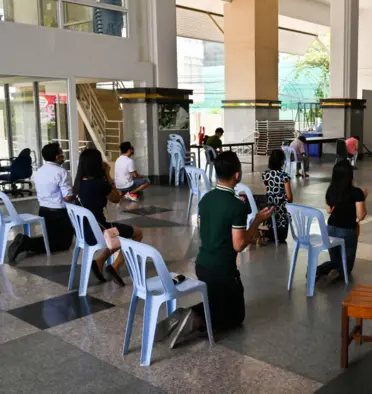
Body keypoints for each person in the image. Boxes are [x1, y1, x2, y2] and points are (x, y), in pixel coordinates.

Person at [169, 152, 274, 346]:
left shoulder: (205, 199)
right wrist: (258, 220)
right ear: (236, 175)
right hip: (223, 270)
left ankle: (190, 313)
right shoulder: (236, 207)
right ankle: (196, 320)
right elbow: (239, 245)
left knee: (217, 301)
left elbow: (207, 229)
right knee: (236, 317)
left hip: (202, 265)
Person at [74, 148, 143, 287]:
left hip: (82, 232)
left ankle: (99, 261)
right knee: (137, 234)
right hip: (99, 232)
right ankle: (115, 266)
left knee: (120, 234)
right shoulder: (100, 185)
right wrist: (107, 174)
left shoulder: (78, 184)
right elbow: (117, 198)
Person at [8, 143, 75, 264]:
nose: (63, 155)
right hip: (59, 214)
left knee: (51, 239)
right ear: (57, 157)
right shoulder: (61, 172)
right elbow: (68, 197)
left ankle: (24, 241)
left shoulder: (40, 171)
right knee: (63, 244)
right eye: (61, 153)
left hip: (44, 211)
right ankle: (25, 243)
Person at [316, 160, 367, 283]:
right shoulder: (356, 192)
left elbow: (329, 210)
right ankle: (338, 273)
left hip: (331, 229)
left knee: (335, 261)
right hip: (348, 231)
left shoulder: (330, 191)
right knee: (347, 266)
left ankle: (318, 269)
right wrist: (362, 198)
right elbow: (360, 216)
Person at [262, 149, 293, 243]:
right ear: (282, 161)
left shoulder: (265, 174)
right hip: (281, 214)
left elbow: (266, 192)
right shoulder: (284, 176)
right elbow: (290, 198)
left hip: (270, 211)